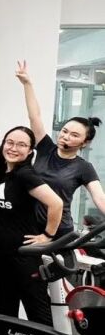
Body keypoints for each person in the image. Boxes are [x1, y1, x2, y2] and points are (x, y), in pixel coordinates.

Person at [0, 126, 64, 335]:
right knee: (5, 305)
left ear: (30, 151)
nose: (13, 148)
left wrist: (47, 235)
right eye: (10, 142)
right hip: (0, 255)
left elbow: (56, 203)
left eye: (21, 145)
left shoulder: (25, 175)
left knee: (37, 311)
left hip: (24, 256)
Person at [16, 60, 105, 233]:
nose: (66, 137)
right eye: (64, 131)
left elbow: (100, 198)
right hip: (30, 226)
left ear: (84, 143)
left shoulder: (84, 167)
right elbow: (35, 117)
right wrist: (27, 84)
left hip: (59, 230)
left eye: (74, 135)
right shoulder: (45, 148)